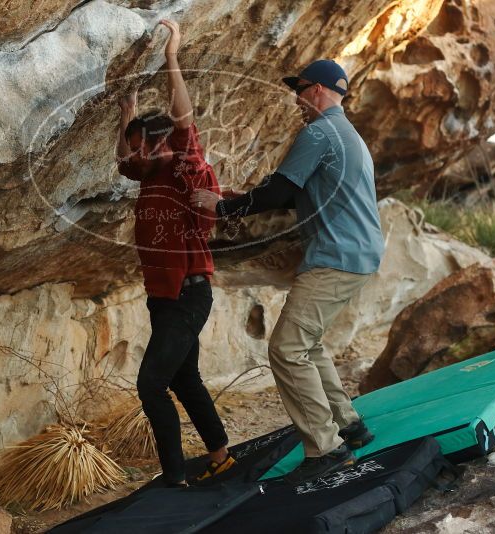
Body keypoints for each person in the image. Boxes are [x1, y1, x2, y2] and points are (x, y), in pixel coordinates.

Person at [191, 59, 384, 484]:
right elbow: (286, 194)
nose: (296, 100)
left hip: (337, 256)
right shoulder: (346, 134)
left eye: (299, 91)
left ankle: (326, 448)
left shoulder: (318, 131)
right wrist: (245, 198)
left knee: (285, 348)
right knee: (306, 342)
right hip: (358, 253)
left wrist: (221, 207)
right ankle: (349, 424)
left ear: (316, 90)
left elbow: (279, 189)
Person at [116, 19, 234, 487]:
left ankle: (174, 478)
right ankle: (221, 456)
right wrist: (126, 113)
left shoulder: (188, 168)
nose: (136, 154)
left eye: (143, 144)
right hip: (164, 298)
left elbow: (184, 121)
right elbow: (126, 164)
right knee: (184, 379)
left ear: (162, 143)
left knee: (151, 384)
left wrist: (171, 57)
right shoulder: (149, 174)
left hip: (188, 294)